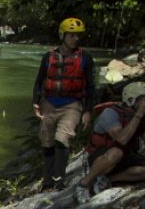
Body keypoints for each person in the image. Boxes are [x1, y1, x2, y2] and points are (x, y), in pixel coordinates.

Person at [32, 17, 97, 191]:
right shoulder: (49, 57)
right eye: (72, 35)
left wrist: (88, 110)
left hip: (73, 105)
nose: (76, 38)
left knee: (62, 139)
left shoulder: (85, 58)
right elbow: (39, 82)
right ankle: (47, 181)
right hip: (49, 103)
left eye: (78, 35)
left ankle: (59, 180)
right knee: (47, 141)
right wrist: (35, 102)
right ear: (63, 35)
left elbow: (91, 86)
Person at [76, 81, 145, 202]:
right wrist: (138, 115)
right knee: (116, 152)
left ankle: (109, 180)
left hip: (125, 157)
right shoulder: (111, 113)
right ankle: (84, 184)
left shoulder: (142, 116)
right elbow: (122, 139)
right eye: (143, 100)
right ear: (131, 100)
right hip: (102, 156)